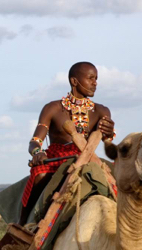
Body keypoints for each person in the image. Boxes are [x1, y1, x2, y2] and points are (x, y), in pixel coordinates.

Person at [20, 61, 116, 225]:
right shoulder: (53, 108)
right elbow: (35, 142)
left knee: (119, 176)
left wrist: (109, 135)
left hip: (89, 159)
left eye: (96, 79)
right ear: (74, 81)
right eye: (91, 78)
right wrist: (38, 153)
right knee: (40, 175)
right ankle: (25, 225)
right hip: (56, 160)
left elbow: (110, 150)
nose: (95, 83)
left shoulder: (102, 111)